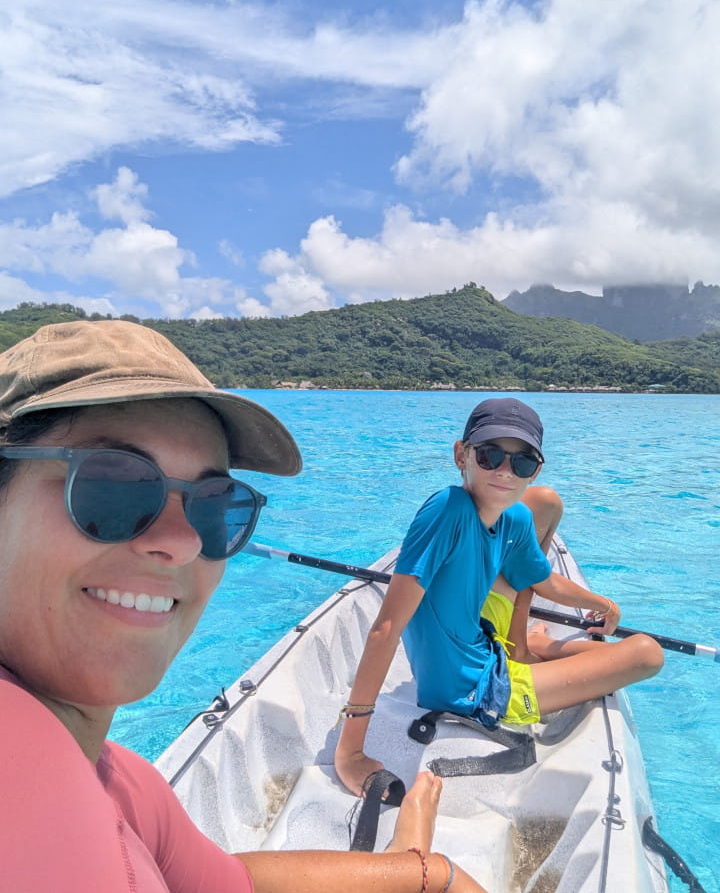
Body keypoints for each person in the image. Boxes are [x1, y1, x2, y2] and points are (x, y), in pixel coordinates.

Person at [0, 319, 486, 893]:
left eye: (215, 504)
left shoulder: (121, 782)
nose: (181, 541)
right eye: (113, 486)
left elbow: (228, 881)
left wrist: (425, 873)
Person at [334, 397, 665, 797]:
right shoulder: (447, 510)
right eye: (491, 456)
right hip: (471, 689)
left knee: (542, 509)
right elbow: (386, 628)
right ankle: (538, 648)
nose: (506, 472)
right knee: (647, 654)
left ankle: (529, 644)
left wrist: (605, 604)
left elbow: (546, 582)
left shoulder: (514, 517)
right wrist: (351, 751)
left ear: (535, 470)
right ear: (462, 454)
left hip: (486, 646)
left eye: (521, 463)